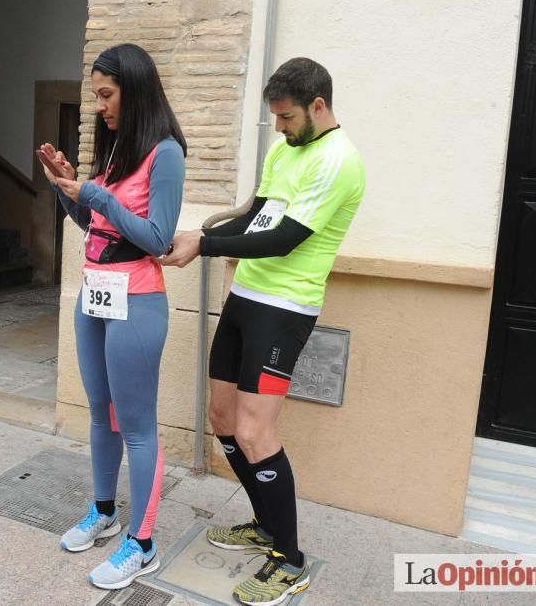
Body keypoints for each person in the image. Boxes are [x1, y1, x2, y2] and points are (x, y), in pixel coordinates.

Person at [162, 57, 365, 605]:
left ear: (317, 106)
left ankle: (289, 558)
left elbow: (284, 240)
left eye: (286, 116)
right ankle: (265, 524)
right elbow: (257, 218)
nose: (278, 127)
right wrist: (194, 232)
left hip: (285, 309)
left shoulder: (339, 161)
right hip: (245, 298)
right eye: (275, 117)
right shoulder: (286, 150)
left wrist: (205, 246)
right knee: (222, 418)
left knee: (255, 434)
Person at [38, 43, 185, 590]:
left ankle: (142, 544)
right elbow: (94, 223)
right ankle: (105, 512)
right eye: (96, 95)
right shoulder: (119, 150)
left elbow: (157, 238)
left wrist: (97, 193)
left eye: (107, 94)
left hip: (138, 300)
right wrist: (66, 185)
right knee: (100, 412)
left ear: (135, 89)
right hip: (95, 296)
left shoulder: (166, 153)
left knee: (138, 427)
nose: (99, 106)